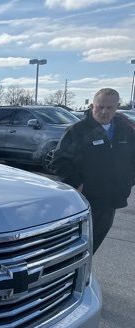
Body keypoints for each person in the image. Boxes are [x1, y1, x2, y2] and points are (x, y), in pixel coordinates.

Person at [52, 88, 135, 253]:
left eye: (110, 108)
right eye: (100, 107)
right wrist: (77, 183)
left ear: (117, 107)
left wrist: (129, 181)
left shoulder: (125, 132)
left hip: (111, 199)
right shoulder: (78, 130)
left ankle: (85, 272)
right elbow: (59, 161)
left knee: (94, 243)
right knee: (76, 245)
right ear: (92, 106)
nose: (104, 112)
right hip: (86, 199)